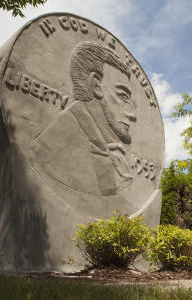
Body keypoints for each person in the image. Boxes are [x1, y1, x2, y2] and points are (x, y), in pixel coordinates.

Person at [31, 41, 137, 196]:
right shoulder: (51, 146)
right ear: (95, 86)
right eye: (123, 96)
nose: (132, 114)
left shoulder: (106, 144)